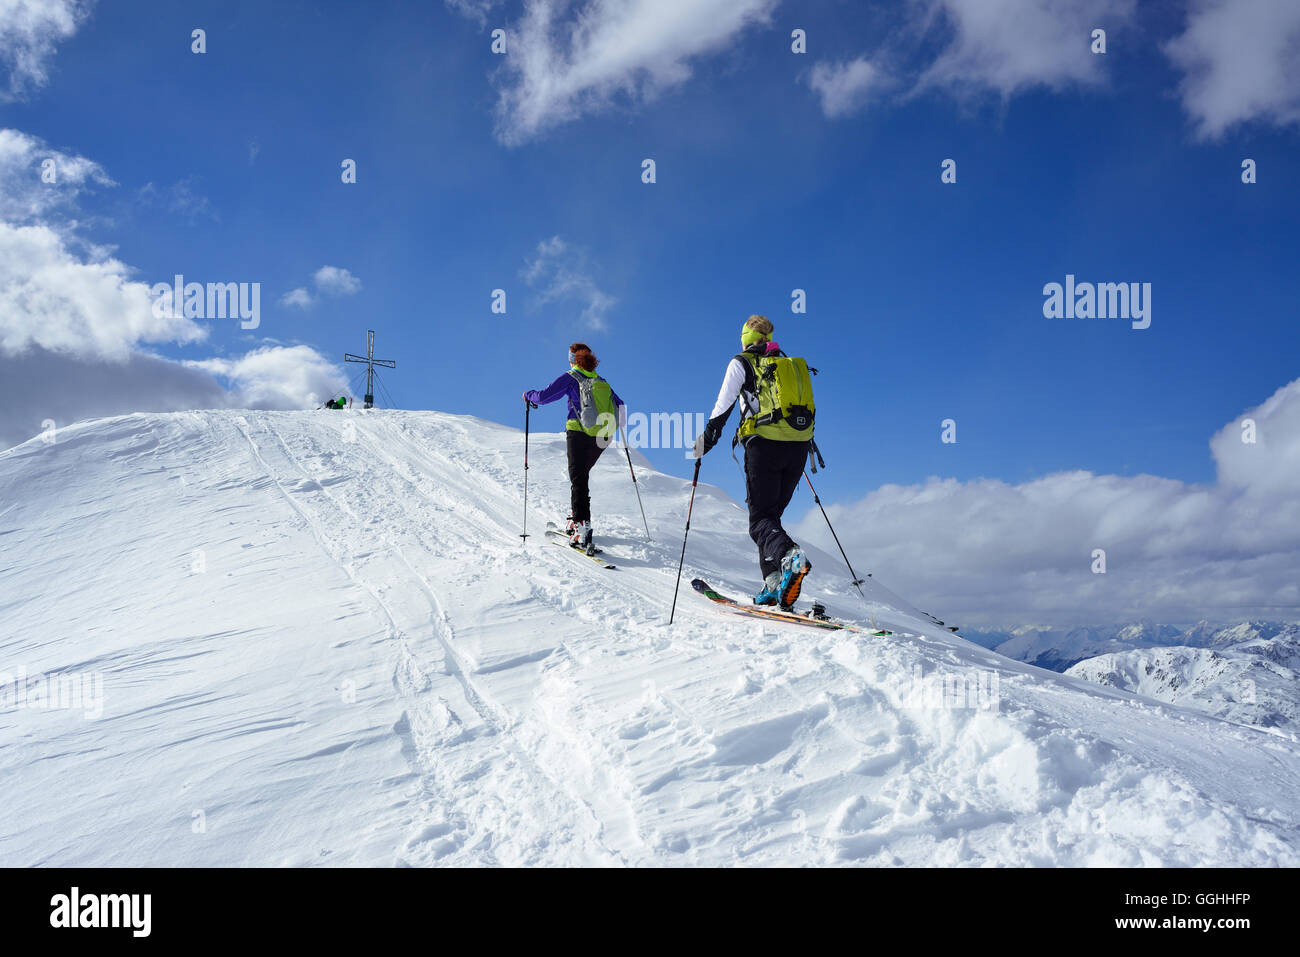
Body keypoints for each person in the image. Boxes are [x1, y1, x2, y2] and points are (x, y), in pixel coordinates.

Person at [693, 315, 813, 608]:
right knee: (770, 518)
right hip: (798, 447)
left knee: (760, 520)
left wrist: (705, 441)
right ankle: (773, 584)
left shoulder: (742, 362)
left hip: (764, 445)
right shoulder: (786, 365)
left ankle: (790, 556)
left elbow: (724, 404)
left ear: (745, 338)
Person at [523, 343, 626, 553]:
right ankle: (578, 519)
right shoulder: (601, 381)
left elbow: (543, 397)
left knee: (578, 480)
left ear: (572, 359)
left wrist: (528, 395)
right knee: (581, 478)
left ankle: (581, 526)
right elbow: (621, 407)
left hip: (579, 433)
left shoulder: (571, 378)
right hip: (602, 438)